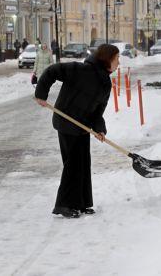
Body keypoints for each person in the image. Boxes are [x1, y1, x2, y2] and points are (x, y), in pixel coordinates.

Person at [35, 44, 119, 218]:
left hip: (82, 126)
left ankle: (82, 203)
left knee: (83, 162)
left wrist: (99, 129)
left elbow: (98, 112)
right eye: (117, 58)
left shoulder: (105, 83)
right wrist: (41, 93)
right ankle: (64, 205)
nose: (119, 62)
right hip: (66, 121)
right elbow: (51, 71)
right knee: (72, 164)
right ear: (107, 59)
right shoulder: (79, 69)